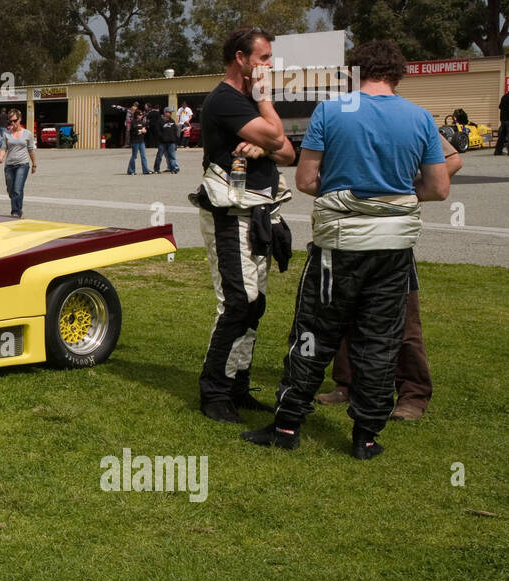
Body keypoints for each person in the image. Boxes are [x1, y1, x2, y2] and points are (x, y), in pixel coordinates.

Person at [243, 40, 451, 459]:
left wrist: (345, 189)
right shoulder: (420, 118)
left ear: (353, 71)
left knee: (312, 335)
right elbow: (438, 187)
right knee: (381, 339)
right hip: (394, 248)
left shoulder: (332, 111)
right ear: (397, 73)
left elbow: (305, 181)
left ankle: (286, 426)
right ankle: (366, 437)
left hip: (340, 246)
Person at [313, 135, 462, 421]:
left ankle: (413, 394)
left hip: (391, 236)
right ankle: (347, 384)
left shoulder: (407, 117)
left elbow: (452, 160)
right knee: (343, 313)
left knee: (403, 318)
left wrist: (406, 192)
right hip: (345, 231)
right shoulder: (338, 116)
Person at [193, 26, 296, 425]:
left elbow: (286, 150)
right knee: (237, 302)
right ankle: (214, 391)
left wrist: (266, 141)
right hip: (230, 214)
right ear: (241, 58)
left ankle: (237, 384)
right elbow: (277, 135)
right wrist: (267, 114)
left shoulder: (251, 102)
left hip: (261, 213)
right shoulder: (225, 100)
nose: (269, 65)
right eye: (264, 58)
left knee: (255, 303)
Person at [0, 108, 37, 218]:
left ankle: (16, 212)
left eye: (15, 120)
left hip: (22, 164)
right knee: (11, 189)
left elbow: (30, 149)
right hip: (9, 165)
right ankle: (16, 204)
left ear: (20, 119)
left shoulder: (27, 134)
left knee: (17, 188)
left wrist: (34, 164)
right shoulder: (6, 134)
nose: (13, 123)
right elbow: (4, 148)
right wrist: (1, 157)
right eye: (11, 121)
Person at [126, 103, 151, 175]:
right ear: (137, 115)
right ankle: (131, 170)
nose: (141, 116)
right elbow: (133, 131)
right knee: (134, 156)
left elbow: (144, 129)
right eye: (140, 115)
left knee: (143, 156)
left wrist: (143, 130)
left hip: (141, 141)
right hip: (135, 141)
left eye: (141, 115)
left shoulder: (141, 122)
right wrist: (140, 131)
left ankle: (145, 170)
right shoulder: (133, 122)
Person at [155, 109, 180, 174]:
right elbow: (157, 131)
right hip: (162, 142)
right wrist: (162, 137)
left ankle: (173, 169)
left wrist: (175, 139)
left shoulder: (172, 120)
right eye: (169, 112)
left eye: (171, 112)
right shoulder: (160, 121)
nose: (170, 114)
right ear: (165, 113)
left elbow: (175, 130)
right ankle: (156, 169)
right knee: (159, 156)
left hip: (171, 142)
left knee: (172, 156)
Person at [495, 88, 509, 155]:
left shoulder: (504, 96)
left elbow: (500, 107)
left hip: (503, 119)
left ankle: (498, 151)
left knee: (502, 136)